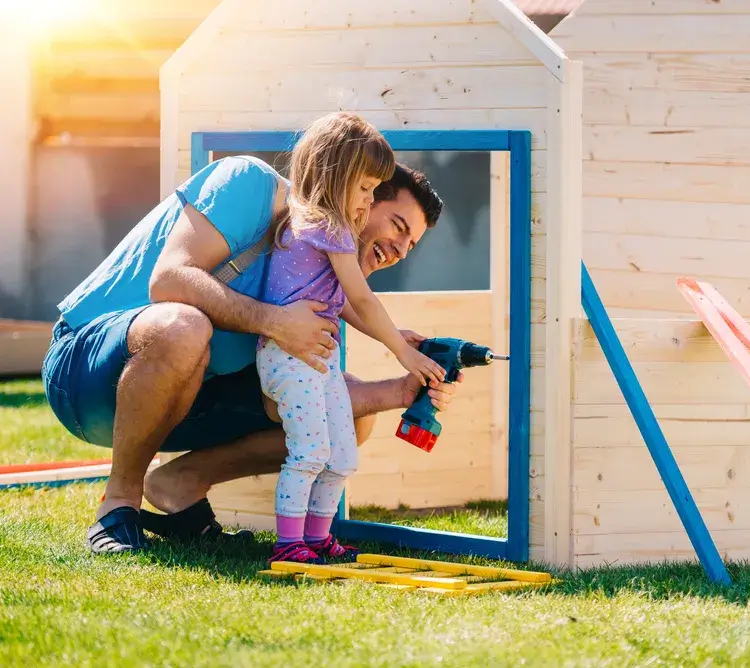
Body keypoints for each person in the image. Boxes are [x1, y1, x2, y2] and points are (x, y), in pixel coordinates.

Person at [41, 111, 460, 555]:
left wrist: (402, 389)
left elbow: (299, 391)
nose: (399, 249)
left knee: (342, 422)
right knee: (186, 326)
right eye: (396, 224)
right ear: (354, 187)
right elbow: (169, 281)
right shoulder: (251, 183)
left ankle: (180, 484)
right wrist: (275, 322)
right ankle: (118, 507)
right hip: (85, 372)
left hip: (183, 392)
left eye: (410, 244)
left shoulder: (317, 275)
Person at [254, 113, 445, 565]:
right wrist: (401, 353)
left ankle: (318, 537)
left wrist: (393, 335)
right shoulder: (329, 226)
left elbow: (339, 302)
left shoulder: (312, 226)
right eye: (365, 188)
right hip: (289, 358)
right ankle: (288, 542)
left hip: (316, 360)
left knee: (341, 454)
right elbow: (360, 295)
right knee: (311, 451)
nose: (367, 198)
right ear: (336, 174)